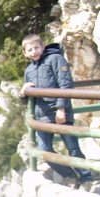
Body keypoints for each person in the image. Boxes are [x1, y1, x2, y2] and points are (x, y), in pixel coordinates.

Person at [19, 34, 93, 188]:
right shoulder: (29, 70)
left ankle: (86, 179)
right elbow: (27, 100)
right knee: (45, 151)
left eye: (36, 48)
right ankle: (70, 176)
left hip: (61, 114)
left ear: (43, 47)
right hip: (42, 117)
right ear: (24, 53)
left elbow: (66, 85)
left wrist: (61, 109)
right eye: (30, 49)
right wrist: (23, 91)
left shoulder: (55, 59)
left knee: (73, 148)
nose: (34, 52)